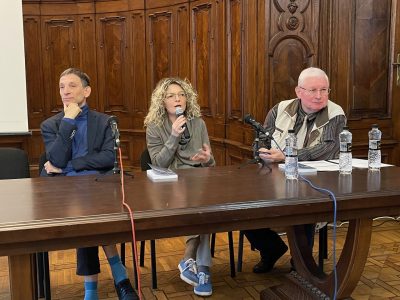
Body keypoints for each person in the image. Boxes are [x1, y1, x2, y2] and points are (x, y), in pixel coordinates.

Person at [40, 68, 138, 300]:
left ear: (87, 90)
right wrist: (68, 121)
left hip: (96, 186)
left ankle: (91, 292)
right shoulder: (51, 125)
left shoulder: (104, 121)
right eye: (62, 86)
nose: (65, 91)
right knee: (86, 218)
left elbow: (108, 158)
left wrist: (69, 166)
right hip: (63, 193)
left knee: (88, 218)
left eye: (72, 85)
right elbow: (55, 159)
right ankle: (120, 276)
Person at [243, 67, 346, 273]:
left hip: (316, 180)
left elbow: (328, 148)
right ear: (299, 91)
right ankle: (271, 249)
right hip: (273, 176)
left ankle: (301, 261)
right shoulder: (280, 109)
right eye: (313, 90)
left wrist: (290, 156)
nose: (319, 96)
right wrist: (262, 151)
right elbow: (262, 138)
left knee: (303, 205)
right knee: (244, 206)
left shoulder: (335, 113)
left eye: (324, 90)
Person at [144, 77, 215, 296]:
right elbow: (158, 163)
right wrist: (174, 135)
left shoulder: (198, 123)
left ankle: (192, 262)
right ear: (162, 102)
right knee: (202, 207)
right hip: (168, 182)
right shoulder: (155, 126)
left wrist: (206, 159)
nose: (178, 99)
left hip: (197, 180)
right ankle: (199, 266)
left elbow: (210, 161)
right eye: (171, 95)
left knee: (206, 205)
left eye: (182, 94)